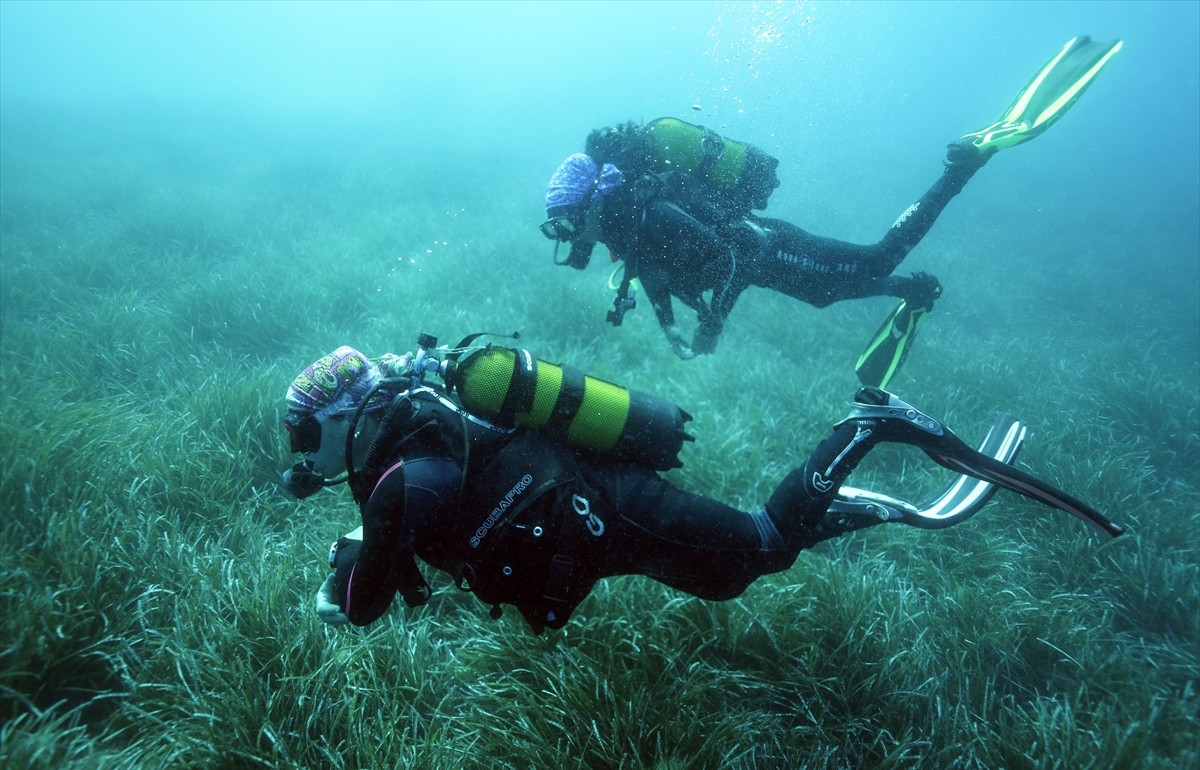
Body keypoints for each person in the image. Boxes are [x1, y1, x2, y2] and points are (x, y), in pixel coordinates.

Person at [281, 342, 1122, 634]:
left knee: (757, 549)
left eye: (301, 432)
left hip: (606, 508)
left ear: (346, 418)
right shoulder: (415, 436)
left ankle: (872, 424)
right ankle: (852, 506)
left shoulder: (396, 481)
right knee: (727, 578)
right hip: (589, 512)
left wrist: (345, 567)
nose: (298, 451)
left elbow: (357, 609)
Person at [538, 36, 1123, 384]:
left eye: (565, 221)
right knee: (830, 291)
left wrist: (716, 314)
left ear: (590, 203)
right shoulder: (634, 230)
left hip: (769, 246)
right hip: (768, 257)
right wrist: (679, 332)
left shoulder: (651, 217)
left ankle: (962, 168)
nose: (568, 236)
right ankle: (907, 287)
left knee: (877, 258)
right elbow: (661, 282)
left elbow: (737, 252)